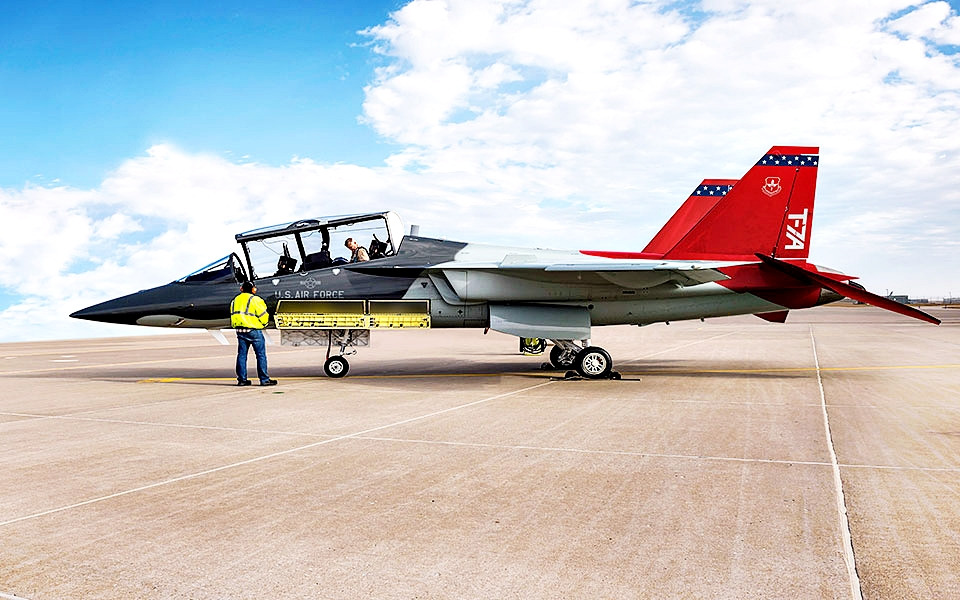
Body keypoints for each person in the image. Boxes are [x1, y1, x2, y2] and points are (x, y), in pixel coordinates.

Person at [230, 281, 277, 386]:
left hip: (240, 331)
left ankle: (242, 380)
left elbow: (233, 314)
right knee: (260, 355)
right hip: (253, 331)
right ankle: (264, 379)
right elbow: (263, 315)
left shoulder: (235, 300)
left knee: (242, 355)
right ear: (253, 289)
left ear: (241, 289)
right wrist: (263, 324)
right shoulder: (255, 300)